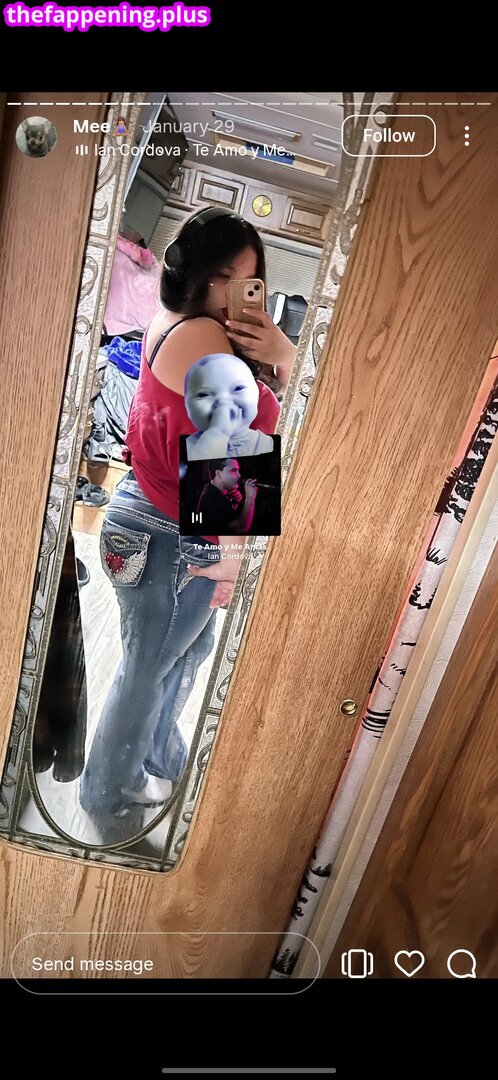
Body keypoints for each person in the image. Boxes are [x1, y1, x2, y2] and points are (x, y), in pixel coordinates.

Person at [79, 205, 296, 820]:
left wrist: (274, 358)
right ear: (197, 274)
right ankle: (106, 793)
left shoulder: (177, 322)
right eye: (226, 277)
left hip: (154, 516)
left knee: (180, 657)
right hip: (166, 531)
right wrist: (286, 356)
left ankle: (160, 761)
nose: (238, 294)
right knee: (147, 669)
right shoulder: (201, 335)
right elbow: (237, 445)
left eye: (250, 281)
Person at [184, 354, 274, 460]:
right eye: (203, 394)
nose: (223, 401)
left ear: (258, 394)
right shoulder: (188, 449)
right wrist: (217, 433)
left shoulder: (269, 445)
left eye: (238, 388)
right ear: (187, 408)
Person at [196, 459, 257, 535]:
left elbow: (223, 521)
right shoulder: (213, 497)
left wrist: (234, 504)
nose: (239, 475)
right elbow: (241, 528)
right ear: (219, 474)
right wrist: (250, 498)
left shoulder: (211, 491)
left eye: (238, 470)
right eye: (234, 470)